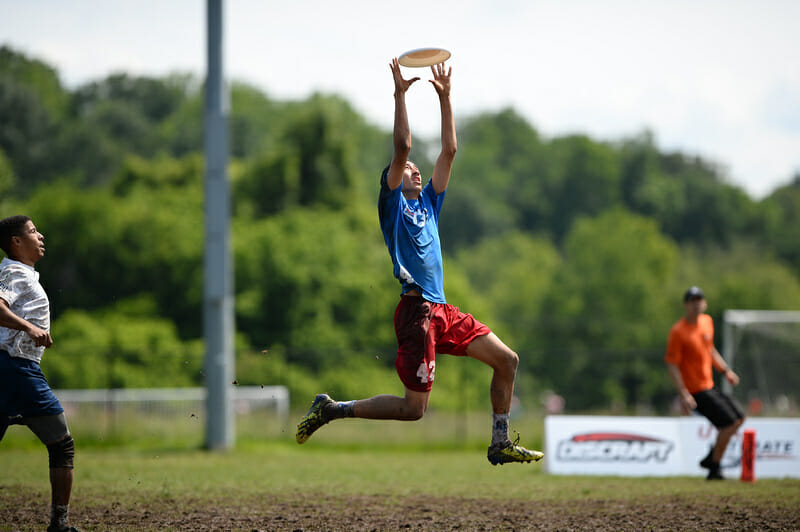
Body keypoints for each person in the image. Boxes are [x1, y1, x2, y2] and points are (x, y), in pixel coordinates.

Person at [295, 58, 544, 466]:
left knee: (507, 360)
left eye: (414, 170)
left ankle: (499, 442)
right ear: (392, 179)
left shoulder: (429, 202)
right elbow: (403, 146)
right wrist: (400, 94)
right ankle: (332, 409)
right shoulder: (392, 205)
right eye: (405, 170)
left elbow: (449, 150)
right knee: (414, 410)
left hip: (442, 310)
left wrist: (446, 98)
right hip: (417, 312)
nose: (413, 169)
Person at [0, 215, 80, 531]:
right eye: (33, 231)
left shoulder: (23, 273)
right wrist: (29, 327)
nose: (40, 235)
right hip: (16, 369)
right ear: (16, 242)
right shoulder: (13, 271)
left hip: (13, 367)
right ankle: (59, 525)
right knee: (62, 444)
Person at [665, 286, 745, 480]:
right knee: (729, 423)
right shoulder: (678, 331)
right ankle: (714, 467)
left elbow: (710, 351)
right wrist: (684, 393)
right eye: (692, 301)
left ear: (704, 303)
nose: (696, 304)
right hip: (696, 391)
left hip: (709, 384)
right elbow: (672, 365)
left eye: (699, 300)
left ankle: (712, 459)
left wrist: (725, 371)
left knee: (739, 417)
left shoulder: (707, 322)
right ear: (686, 305)